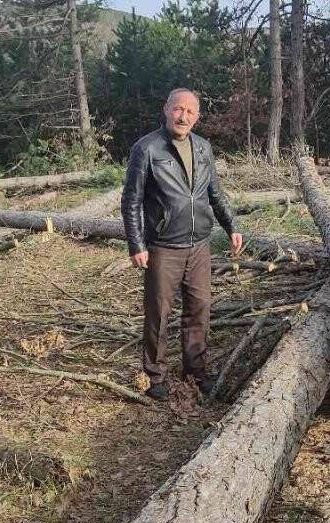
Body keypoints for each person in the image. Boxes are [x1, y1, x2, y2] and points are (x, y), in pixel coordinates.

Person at [121, 88, 243, 401]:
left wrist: (232, 225)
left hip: (199, 245)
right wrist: (137, 244)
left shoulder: (203, 148)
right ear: (166, 110)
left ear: (197, 117)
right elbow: (131, 199)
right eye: (178, 109)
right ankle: (156, 375)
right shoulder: (146, 149)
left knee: (199, 309)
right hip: (163, 246)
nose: (183, 116)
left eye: (190, 111)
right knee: (159, 313)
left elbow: (215, 193)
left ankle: (196, 370)